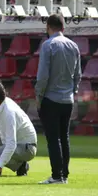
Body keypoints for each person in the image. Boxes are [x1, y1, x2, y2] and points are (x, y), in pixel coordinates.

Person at [35, 14, 81, 184]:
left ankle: (56, 175)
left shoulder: (48, 46)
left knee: (53, 139)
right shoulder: (74, 46)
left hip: (51, 98)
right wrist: (72, 92)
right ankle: (64, 175)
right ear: (63, 27)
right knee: (64, 137)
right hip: (67, 99)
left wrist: (39, 96)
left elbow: (43, 76)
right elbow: (78, 75)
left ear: (48, 27)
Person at [0, 80, 37, 177]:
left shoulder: (8, 112)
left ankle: (20, 166)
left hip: (27, 148)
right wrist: (0, 125)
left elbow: (11, 144)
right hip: (17, 143)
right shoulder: (0, 104)